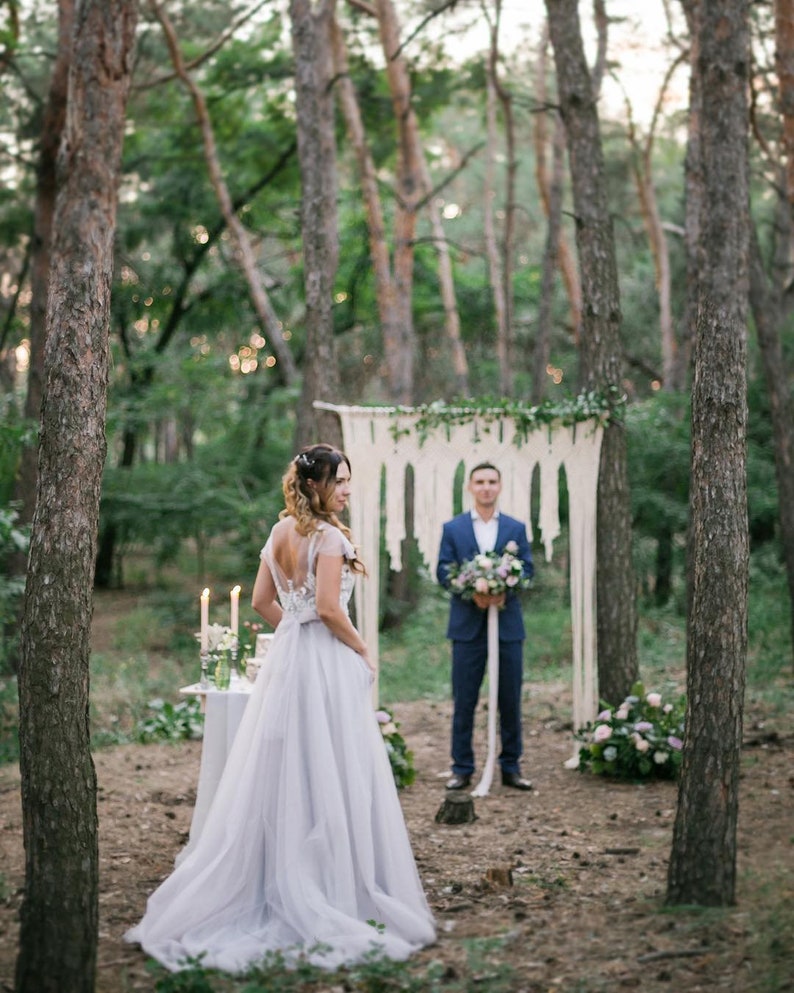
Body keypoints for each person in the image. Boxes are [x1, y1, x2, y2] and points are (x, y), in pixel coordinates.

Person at [126, 444, 436, 973]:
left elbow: (261, 602)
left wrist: (293, 634)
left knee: (287, 762)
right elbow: (330, 608)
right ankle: (331, 881)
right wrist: (361, 648)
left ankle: (281, 870)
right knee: (331, 760)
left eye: (348, 481)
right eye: (338, 481)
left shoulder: (278, 534)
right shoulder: (331, 538)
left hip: (291, 656)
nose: (346, 490)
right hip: (326, 659)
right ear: (314, 485)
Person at [436, 461, 534, 792]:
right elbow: (443, 571)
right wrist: (470, 592)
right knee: (464, 700)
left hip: (507, 627)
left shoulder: (516, 528)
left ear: (500, 486)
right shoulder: (453, 528)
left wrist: (505, 589)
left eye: (492, 481)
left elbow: (528, 571)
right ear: (470, 487)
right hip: (467, 628)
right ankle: (461, 768)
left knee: (510, 698)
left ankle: (511, 766)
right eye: (480, 481)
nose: (486, 487)